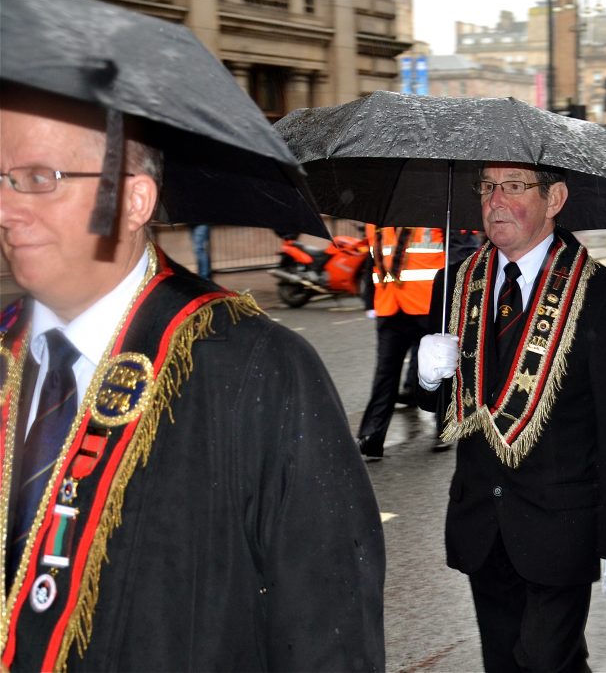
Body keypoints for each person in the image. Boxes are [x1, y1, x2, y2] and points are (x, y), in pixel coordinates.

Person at [0, 86, 385, 669]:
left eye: (39, 177)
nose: (6, 208)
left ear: (133, 200)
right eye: (1, 178)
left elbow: (329, 627)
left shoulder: (257, 368)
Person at [416, 163, 606, 671]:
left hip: (562, 526)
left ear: (555, 198)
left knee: (543, 662)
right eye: (487, 187)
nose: (495, 200)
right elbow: (452, 412)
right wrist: (428, 380)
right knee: (507, 663)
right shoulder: (455, 285)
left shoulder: (605, 296)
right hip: (482, 522)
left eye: (514, 187)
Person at [357, 223, 446, 460]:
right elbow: (372, 258)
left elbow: (458, 254)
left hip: (427, 305)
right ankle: (372, 437)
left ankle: (444, 427)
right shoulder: (373, 221)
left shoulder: (431, 213)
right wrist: (369, 300)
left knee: (435, 369)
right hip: (389, 306)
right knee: (385, 374)